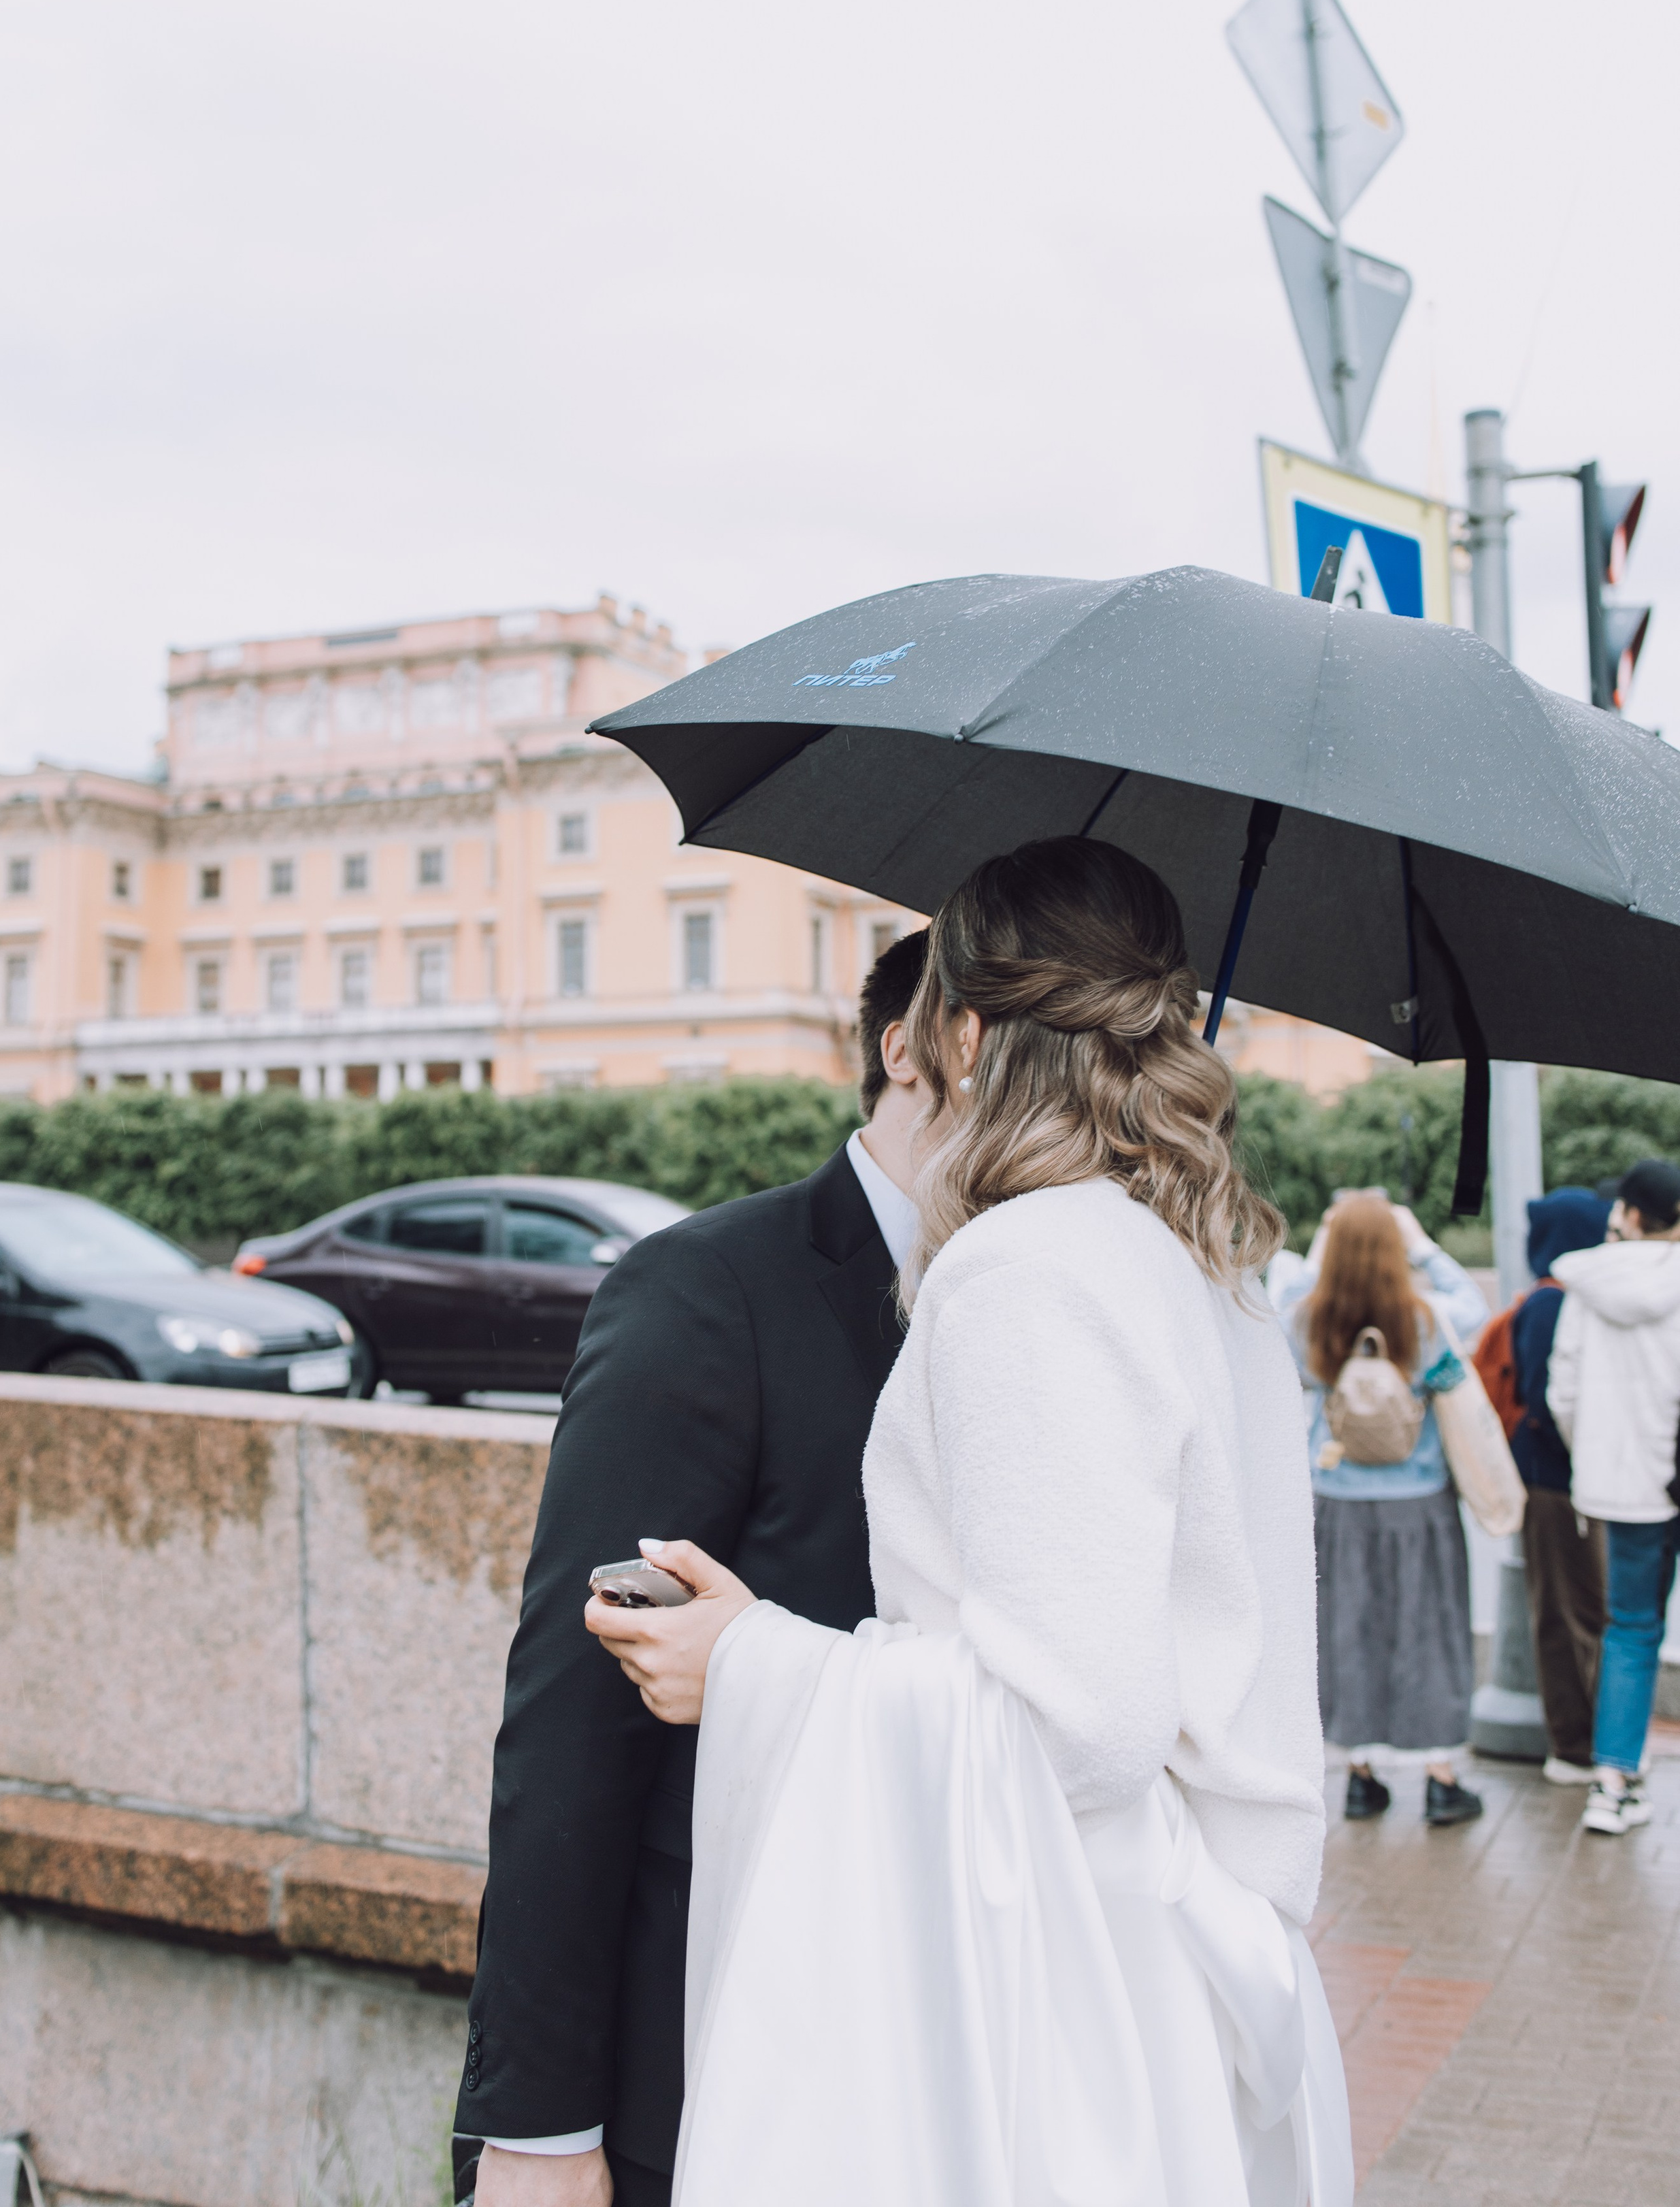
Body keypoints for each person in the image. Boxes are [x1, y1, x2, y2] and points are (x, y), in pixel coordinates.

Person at [586, 838, 1351, 2207]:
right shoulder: (1213, 1274)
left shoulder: (1032, 1263)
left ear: (959, 1034)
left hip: (1062, 1986)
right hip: (1180, 1967)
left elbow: (1074, 1730)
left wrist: (751, 1663)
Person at [459, 927, 929, 2207]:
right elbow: (574, 1709)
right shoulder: (710, 1283)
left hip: (919, 2035)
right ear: (912, 1047)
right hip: (700, 2038)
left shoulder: (1023, 1301)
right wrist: (539, 2125)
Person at [1276, 1191, 1489, 1829]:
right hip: (1419, 1501)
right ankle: (1441, 1777)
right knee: (1430, 1629)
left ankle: (1361, 1776)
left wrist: (1323, 1247)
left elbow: (1278, 1309)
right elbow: (1474, 1306)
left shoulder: (1310, 1323)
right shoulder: (1422, 1321)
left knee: (1347, 1629)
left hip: (1337, 1498)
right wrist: (1423, 1244)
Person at [1548, 1156, 1680, 1839]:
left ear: (1628, 1213)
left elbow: (1563, 1391)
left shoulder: (1586, 1283)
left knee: (1629, 1627)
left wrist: (1595, 1461)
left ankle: (1611, 1783)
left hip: (1624, 1490)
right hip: (1671, 1473)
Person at [1509, 1190, 1612, 1784]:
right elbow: (1545, 1403)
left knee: (1581, 1608)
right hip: (1555, 1482)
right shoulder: (1551, 1304)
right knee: (1565, 1612)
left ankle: (1589, 1741)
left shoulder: (1562, 1299)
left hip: (1566, 1478)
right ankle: (1573, 1748)